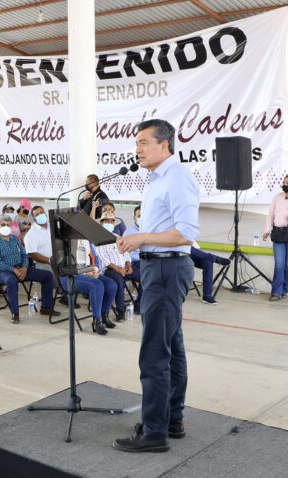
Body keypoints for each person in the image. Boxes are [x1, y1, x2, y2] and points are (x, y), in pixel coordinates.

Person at [114, 119, 199, 453]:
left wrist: (142, 237)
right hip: (156, 267)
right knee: (172, 347)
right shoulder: (157, 178)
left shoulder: (177, 177)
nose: (137, 149)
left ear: (164, 144)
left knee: (154, 354)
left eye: (143, 142)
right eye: (136, 143)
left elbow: (186, 232)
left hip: (166, 270)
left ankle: (153, 433)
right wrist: (137, 244)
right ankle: (171, 419)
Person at [0, 214, 58, 324]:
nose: (6, 226)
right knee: (12, 281)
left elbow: (25, 255)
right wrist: (14, 270)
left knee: (47, 275)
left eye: (8, 225)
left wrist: (24, 267)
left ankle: (46, 307)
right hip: (3, 271)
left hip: (21, 269)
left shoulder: (15, 239)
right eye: (3, 224)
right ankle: (15, 313)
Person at [96, 211, 139, 324]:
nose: (109, 223)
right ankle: (121, 311)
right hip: (109, 269)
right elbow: (102, 258)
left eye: (111, 221)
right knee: (119, 280)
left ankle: (138, 303)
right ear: (101, 223)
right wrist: (117, 269)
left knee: (143, 276)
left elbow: (126, 254)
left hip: (123, 267)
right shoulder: (98, 239)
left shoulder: (118, 237)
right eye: (107, 221)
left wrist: (128, 265)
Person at [122, 206, 143, 314]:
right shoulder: (128, 233)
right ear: (134, 218)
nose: (141, 218)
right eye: (139, 216)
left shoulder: (150, 232)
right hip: (132, 263)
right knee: (146, 277)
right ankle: (139, 305)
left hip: (146, 261)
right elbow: (125, 253)